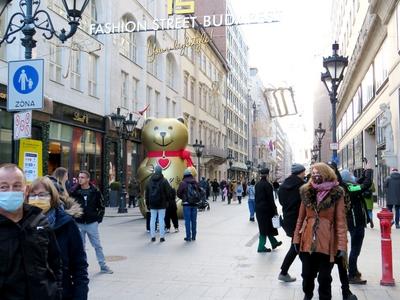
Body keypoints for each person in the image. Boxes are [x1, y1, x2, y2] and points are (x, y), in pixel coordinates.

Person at [0, 163, 62, 299]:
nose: (11, 191)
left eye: (17, 186)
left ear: (26, 189)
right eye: (3, 187)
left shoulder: (40, 221)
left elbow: (55, 262)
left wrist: (56, 292)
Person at [293, 162, 347, 300]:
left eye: (318, 173)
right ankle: (308, 294)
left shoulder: (337, 193)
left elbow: (341, 221)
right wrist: (296, 239)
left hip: (327, 242)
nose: (315, 176)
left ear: (326, 174)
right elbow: (300, 218)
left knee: (324, 277)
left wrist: (341, 245)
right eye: (313, 173)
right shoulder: (306, 191)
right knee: (307, 274)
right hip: (307, 240)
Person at [28, 176, 89, 300]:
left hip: (62, 294)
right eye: (32, 195)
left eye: (42, 195)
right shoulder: (24, 224)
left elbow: (80, 266)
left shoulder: (67, 224)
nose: (36, 199)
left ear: (52, 197)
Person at [70, 170, 113, 274]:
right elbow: (69, 206)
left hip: (92, 223)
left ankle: (103, 266)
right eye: (79, 177)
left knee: (97, 245)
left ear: (88, 179)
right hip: (79, 223)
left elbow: (101, 205)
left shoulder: (95, 191)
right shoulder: (74, 192)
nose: (80, 179)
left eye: (82, 177)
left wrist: (98, 219)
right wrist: (73, 218)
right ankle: (82, 267)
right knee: (80, 247)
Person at [327, 162, 357, 300]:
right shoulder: (318, 189)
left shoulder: (341, 189)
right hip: (325, 233)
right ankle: (325, 292)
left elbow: (348, 207)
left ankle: (346, 291)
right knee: (325, 266)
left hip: (338, 231)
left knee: (341, 263)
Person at [277, 163, 306, 282]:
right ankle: (284, 272)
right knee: (297, 247)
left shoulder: (283, 186)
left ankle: (286, 272)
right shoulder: (302, 186)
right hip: (299, 221)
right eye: (303, 172)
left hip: (287, 220)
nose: (305, 174)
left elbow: (281, 202)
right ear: (300, 172)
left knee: (297, 246)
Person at [340, 169, 369, 285]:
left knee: (355, 248)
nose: (353, 176)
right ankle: (351, 274)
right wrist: (370, 171)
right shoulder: (350, 188)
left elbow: (360, 183)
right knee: (355, 248)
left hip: (357, 221)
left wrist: (364, 172)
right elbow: (365, 185)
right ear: (347, 177)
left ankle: (354, 270)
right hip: (355, 223)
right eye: (351, 174)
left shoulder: (349, 186)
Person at [255, 168, 282, 252]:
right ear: (267, 175)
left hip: (259, 209)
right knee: (264, 228)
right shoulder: (268, 185)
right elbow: (271, 200)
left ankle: (274, 243)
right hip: (267, 210)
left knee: (267, 227)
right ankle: (261, 247)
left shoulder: (257, 184)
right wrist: (275, 210)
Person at [145, 165, 171, 242]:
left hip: (152, 204)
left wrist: (148, 204)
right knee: (161, 220)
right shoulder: (164, 180)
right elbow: (168, 193)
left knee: (152, 219)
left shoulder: (149, 181)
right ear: (161, 171)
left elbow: (147, 194)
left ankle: (153, 236)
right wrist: (167, 201)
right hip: (162, 204)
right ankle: (162, 237)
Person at [177, 168, 201, 241]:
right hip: (194, 204)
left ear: (184, 175)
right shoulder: (195, 182)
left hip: (186, 204)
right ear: (191, 175)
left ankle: (188, 237)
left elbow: (178, 193)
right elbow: (199, 191)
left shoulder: (183, 183)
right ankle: (194, 236)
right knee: (194, 221)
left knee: (187, 221)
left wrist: (183, 198)